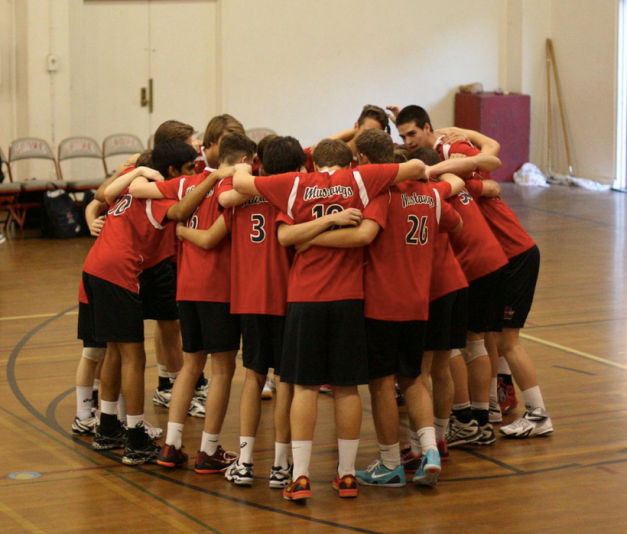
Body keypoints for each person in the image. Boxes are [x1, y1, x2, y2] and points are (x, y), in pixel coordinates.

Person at [233, 137, 431, 501]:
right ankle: (346, 476)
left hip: (305, 297)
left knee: (305, 386)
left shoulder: (294, 184)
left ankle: (303, 476)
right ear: (350, 162)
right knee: (346, 388)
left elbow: (255, 202)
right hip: (349, 298)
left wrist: (243, 165)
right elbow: (418, 168)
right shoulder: (361, 180)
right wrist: (333, 218)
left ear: (314, 163)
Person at [394, 105, 552, 438]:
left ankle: (532, 414)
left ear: (427, 128)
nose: (407, 141)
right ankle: (489, 407)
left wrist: (460, 143)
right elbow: (484, 183)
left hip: (512, 254)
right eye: (402, 135)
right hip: (499, 258)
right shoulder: (441, 173)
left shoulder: (447, 153)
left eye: (412, 133)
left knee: (501, 341)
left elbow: (492, 159)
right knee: (488, 338)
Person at [83, 141, 219, 465]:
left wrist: (138, 171)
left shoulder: (128, 184)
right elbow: (182, 211)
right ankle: (134, 437)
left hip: (95, 267)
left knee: (115, 350)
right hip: (118, 271)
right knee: (133, 355)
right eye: (188, 170)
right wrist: (211, 180)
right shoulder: (155, 194)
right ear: (170, 172)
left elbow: (102, 196)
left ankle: (106, 427)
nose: (192, 174)